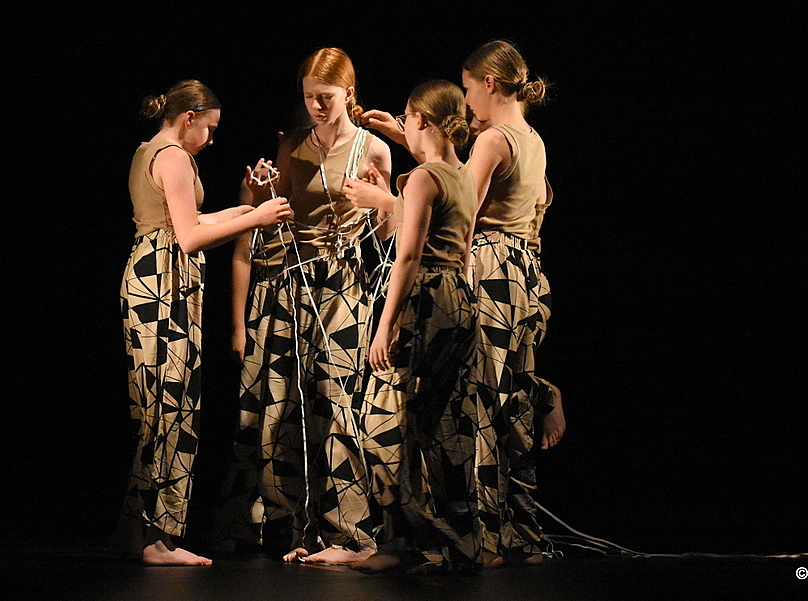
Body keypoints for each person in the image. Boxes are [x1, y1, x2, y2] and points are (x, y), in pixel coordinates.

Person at [361, 40, 567, 567]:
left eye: (470, 88)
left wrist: (387, 201)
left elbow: (456, 210)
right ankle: (518, 533)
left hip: (490, 268)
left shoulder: (494, 139)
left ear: (489, 84)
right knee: (507, 398)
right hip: (523, 270)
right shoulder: (532, 138)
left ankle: (482, 536)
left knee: (479, 403)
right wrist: (408, 135)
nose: (468, 101)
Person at [219, 48, 392, 564]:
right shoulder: (293, 145)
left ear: (349, 93)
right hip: (289, 284)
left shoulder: (374, 149)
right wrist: (258, 192)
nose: (317, 105)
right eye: (309, 97)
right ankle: (278, 524)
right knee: (278, 406)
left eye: (326, 97)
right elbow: (270, 220)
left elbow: (387, 235)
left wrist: (383, 197)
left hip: (341, 286)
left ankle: (348, 531)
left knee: (337, 404)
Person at [114, 80, 293, 566]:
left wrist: (249, 206)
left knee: (156, 407)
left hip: (155, 274)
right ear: (189, 117)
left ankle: (134, 531)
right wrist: (255, 220)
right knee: (169, 408)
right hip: (163, 283)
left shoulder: (151, 149)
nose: (212, 140)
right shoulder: (173, 155)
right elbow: (190, 237)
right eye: (209, 129)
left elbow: (189, 220)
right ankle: (159, 539)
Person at [350, 80, 480, 574]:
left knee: (380, 424)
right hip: (458, 300)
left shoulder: (424, 178)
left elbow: (407, 255)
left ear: (421, 120)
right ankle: (461, 544)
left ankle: (405, 542)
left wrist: (386, 325)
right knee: (441, 427)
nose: (404, 124)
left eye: (407, 117)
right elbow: (461, 248)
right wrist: (398, 132)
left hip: (424, 299)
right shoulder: (462, 175)